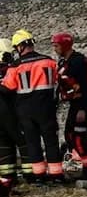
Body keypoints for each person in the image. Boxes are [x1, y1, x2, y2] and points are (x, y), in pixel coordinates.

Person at [1, 30, 62, 182]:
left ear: (20, 47)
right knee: (51, 142)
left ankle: (39, 176)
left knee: (32, 142)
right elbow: (59, 81)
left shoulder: (16, 66)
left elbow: (8, 87)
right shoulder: (49, 61)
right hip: (47, 108)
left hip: (26, 111)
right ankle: (57, 175)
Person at [52, 32, 87, 173]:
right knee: (69, 134)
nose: (55, 49)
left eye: (57, 46)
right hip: (76, 103)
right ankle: (80, 160)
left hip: (82, 104)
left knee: (78, 136)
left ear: (65, 45)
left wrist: (83, 109)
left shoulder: (77, 62)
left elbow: (82, 87)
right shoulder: (66, 61)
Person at [0, 38, 22, 186]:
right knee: (23, 142)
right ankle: (30, 174)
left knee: (3, 144)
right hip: (12, 110)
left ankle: (8, 177)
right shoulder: (11, 69)